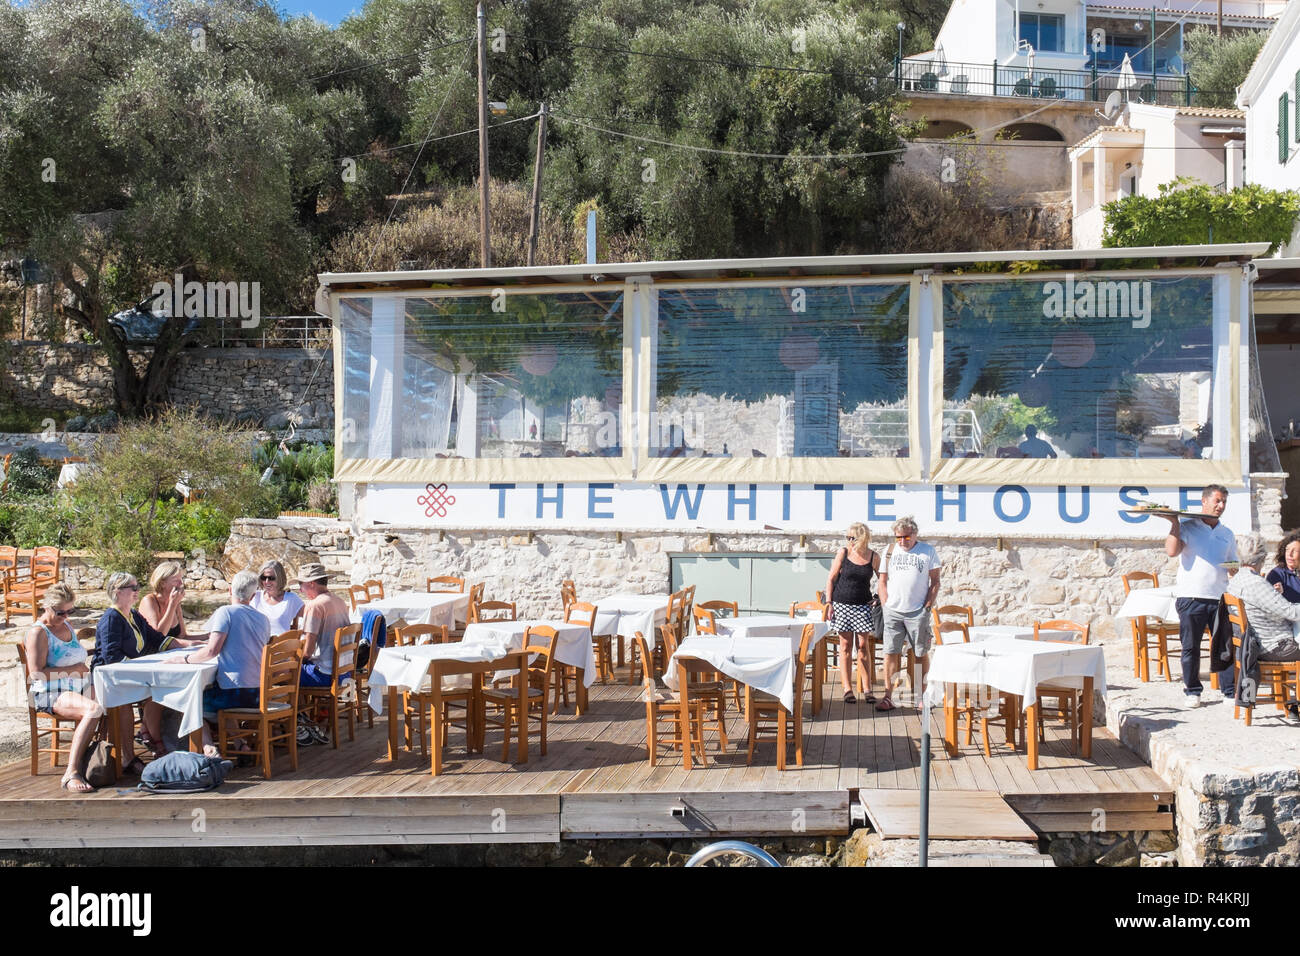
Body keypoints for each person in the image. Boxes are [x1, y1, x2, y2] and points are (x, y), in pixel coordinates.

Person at [91, 571, 182, 773]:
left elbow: (155, 638)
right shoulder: (111, 618)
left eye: (137, 587)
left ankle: (154, 739)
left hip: (131, 672)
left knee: (161, 689)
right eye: (133, 588)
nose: (137, 591)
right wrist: (142, 669)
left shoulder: (132, 615)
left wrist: (184, 648)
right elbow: (111, 657)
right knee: (125, 702)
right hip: (110, 677)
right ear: (117, 591)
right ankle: (128, 757)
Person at [180, 570, 271, 756]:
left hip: (236, 694)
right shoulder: (263, 619)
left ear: (229, 590)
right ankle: (239, 743)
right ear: (253, 596)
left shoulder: (226, 612)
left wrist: (183, 659)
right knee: (221, 688)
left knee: (190, 703)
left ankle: (208, 747)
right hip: (258, 692)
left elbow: (211, 651)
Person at [23, 584, 104, 791]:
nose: (66, 616)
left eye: (71, 611)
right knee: (93, 709)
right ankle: (72, 772)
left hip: (77, 686)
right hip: (49, 692)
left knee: (113, 698)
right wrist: (74, 669)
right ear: (47, 608)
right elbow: (36, 674)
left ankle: (113, 760)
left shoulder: (66, 625)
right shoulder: (38, 633)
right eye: (61, 612)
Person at [1164, 484, 1238, 707]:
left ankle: (1228, 692)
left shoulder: (1227, 533)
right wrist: (1174, 522)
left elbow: (1233, 563)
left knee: (1223, 647)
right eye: (1217, 500)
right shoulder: (1187, 526)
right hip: (1191, 597)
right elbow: (1171, 551)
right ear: (1204, 501)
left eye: (1224, 501)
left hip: (1219, 598)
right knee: (1191, 647)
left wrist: (1237, 567)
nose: (1221, 505)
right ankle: (1193, 692)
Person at [1226, 534, 1300, 721]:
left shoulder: (1237, 579)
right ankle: (1294, 706)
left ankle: (1293, 704)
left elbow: (1269, 606)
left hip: (1254, 644)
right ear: (1262, 557)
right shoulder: (1257, 583)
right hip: (1274, 646)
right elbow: (1292, 613)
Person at [876, 516, 941, 712]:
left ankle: (922, 695)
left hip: (917, 612)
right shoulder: (889, 551)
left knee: (920, 653)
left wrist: (927, 607)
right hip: (893, 611)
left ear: (914, 534)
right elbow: (882, 581)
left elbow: (935, 581)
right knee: (890, 653)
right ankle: (889, 696)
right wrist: (885, 604)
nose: (902, 541)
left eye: (906, 537)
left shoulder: (927, 551)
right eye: (898, 537)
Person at [294, 562, 352, 745]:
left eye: (301, 584)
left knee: (283, 675)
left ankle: (298, 723)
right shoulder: (339, 601)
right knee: (296, 671)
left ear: (311, 583)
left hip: (326, 674)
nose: (300, 589)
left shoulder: (315, 606)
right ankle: (303, 718)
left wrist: (295, 658)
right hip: (344, 671)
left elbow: (308, 648)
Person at [824, 522, 880, 704]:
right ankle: (847, 689)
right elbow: (831, 578)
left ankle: (867, 689)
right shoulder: (844, 553)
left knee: (863, 647)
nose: (849, 541)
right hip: (842, 604)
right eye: (847, 537)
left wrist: (878, 597)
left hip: (863, 605)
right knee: (845, 646)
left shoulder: (873, 556)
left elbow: (885, 579)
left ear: (863, 538)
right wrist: (829, 603)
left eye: (852, 538)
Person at [251, 559, 305, 635]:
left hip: (281, 646)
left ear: (280, 578)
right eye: (263, 578)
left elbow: (310, 617)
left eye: (271, 578)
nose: (266, 581)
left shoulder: (291, 599)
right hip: (257, 645)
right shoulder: (255, 596)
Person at [139, 560, 188, 642]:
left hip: (172, 651)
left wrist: (210, 635)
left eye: (181, 579)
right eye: (176, 580)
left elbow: (183, 636)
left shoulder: (176, 601)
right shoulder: (149, 601)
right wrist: (172, 605)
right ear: (162, 583)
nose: (181, 583)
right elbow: (158, 637)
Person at [1265, 531, 1300, 603]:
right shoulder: (1276, 575)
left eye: (1295, 551)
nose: (1289, 554)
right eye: (1287, 550)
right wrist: (1278, 595)